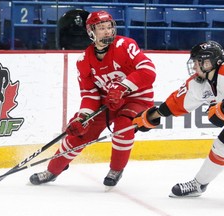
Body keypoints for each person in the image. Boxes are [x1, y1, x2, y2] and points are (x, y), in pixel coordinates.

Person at [30, 10, 156, 188]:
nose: (107, 31)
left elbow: (148, 71)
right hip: (107, 103)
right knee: (79, 132)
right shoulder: (84, 61)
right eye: (101, 28)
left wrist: (122, 87)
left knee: (123, 125)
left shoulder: (125, 45)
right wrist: (83, 117)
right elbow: (89, 94)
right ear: (91, 32)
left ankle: (116, 169)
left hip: (136, 99)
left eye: (109, 27)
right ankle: (52, 170)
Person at [132, 40, 224, 197]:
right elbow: (175, 103)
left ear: (208, 63)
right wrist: (149, 118)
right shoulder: (198, 84)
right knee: (221, 146)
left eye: (197, 62)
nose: (194, 66)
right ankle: (198, 185)